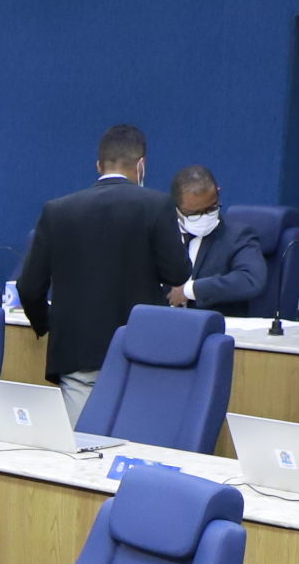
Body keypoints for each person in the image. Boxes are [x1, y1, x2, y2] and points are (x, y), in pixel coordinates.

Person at [17, 123, 185, 418]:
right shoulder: (157, 205)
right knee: (134, 438)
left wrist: (48, 323)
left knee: (81, 443)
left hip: (77, 353)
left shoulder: (57, 210)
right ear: (142, 165)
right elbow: (177, 274)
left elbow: (29, 287)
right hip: (138, 351)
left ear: (99, 165)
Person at [163, 165, 267, 313]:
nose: (205, 217)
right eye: (194, 214)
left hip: (214, 323)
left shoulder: (237, 235)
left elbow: (251, 279)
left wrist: (190, 290)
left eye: (212, 208)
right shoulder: (161, 232)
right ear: (175, 207)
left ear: (217, 193)